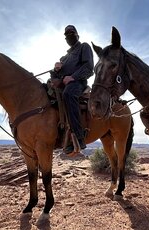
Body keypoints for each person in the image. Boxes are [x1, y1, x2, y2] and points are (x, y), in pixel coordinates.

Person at [51, 25, 94, 154]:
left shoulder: (84, 47)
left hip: (78, 83)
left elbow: (89, 67)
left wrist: (73, 77)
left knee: (68, 94)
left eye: (71, 33)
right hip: (64, 84)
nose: (69, 36)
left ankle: (79, 137)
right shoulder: (64, 58)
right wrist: (55, 70)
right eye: (67, 34)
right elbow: (57, 77)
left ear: (77, 35)